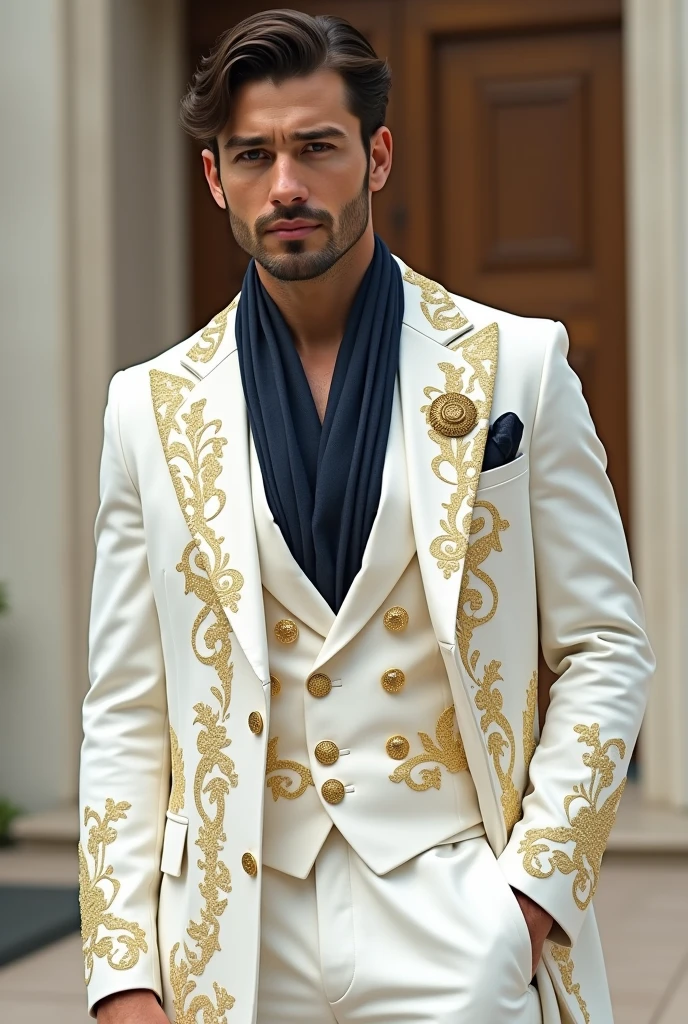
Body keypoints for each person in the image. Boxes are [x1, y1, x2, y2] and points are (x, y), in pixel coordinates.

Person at [79, 10, 653, 1024]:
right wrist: (122, 973)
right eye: (251, 156)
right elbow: (128, 706)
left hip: (453, 911)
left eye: (315, 148)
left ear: (375, 155)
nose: (285, 186)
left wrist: (526, 899)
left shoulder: (517, 363)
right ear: (215, 178)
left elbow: (607, 645)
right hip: (235, 930)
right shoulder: (149, 407)